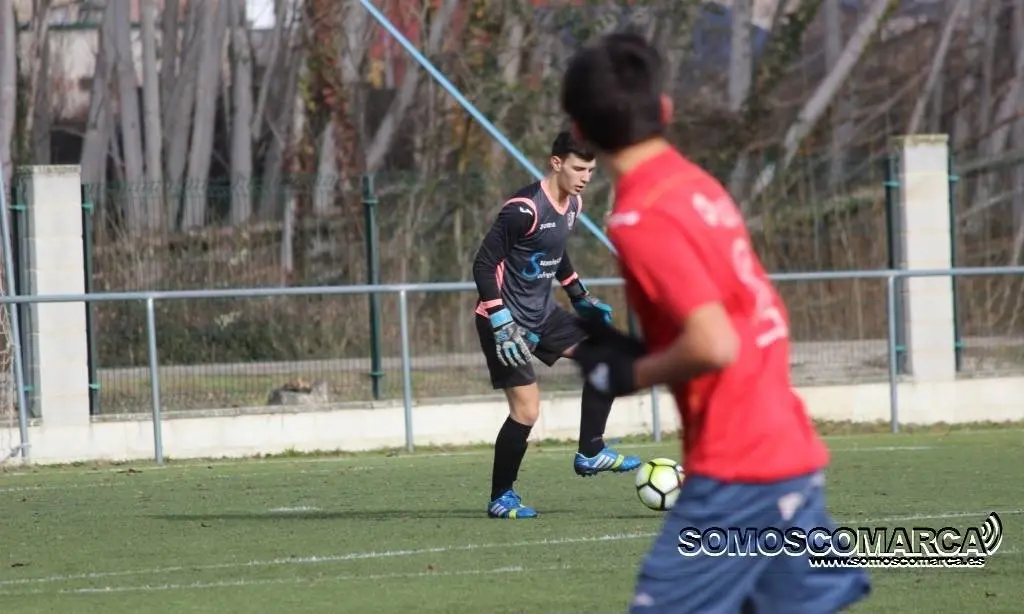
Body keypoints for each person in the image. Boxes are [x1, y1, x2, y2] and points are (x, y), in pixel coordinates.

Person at [560, 33, 872, 613]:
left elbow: (714, 343)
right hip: (785, 452)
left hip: (739, 471)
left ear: (578, 129)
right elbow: (746, 314)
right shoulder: (698, 186)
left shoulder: (640, 216)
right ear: (666, 109)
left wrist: (629, 372)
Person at [472, 131, 643, 520]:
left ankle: (591, 451)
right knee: (527, 411)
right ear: (556, 163)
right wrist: (499, 318)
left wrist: (579, 294)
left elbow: (555, 250)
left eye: (591, 171)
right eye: (578, 168)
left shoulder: (573, 205)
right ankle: (501, 497)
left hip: (543, 313)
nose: (585, 177)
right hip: (504, 320)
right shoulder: (523, 210)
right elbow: (483, 264)